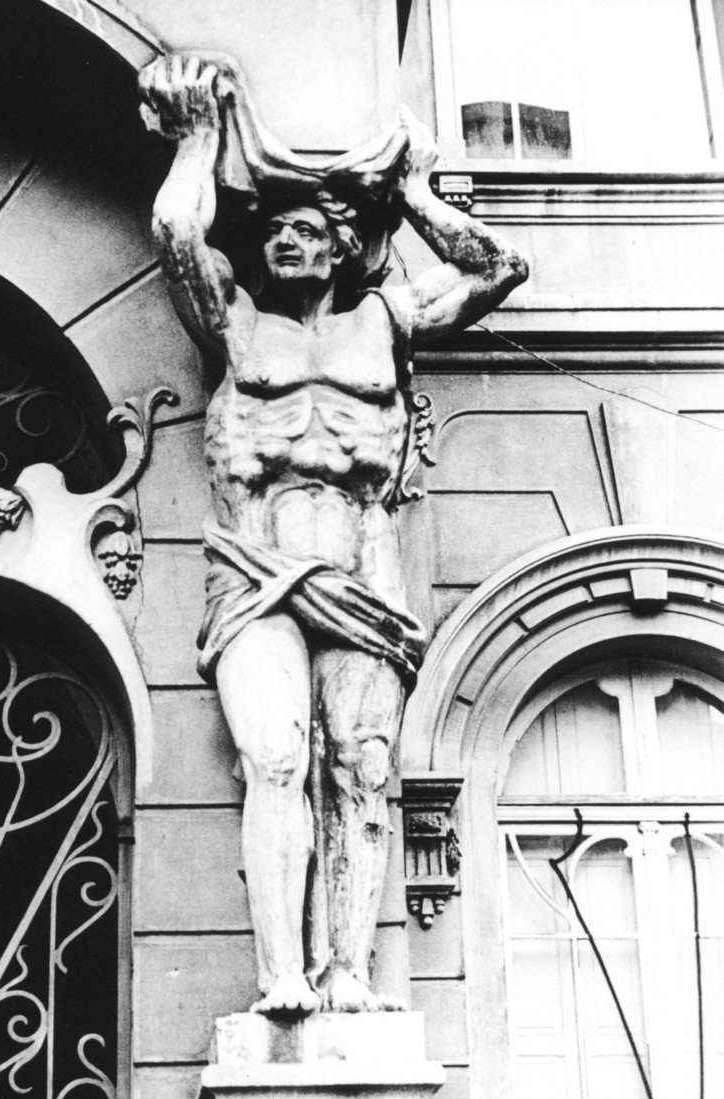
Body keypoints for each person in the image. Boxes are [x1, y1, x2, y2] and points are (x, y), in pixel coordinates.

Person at [140, 54, 528, 1018]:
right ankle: (281, 973)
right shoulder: (234, 327)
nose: (287, 242)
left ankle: (348, 973)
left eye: (308, 229)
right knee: (275, 757)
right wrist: (198, 133)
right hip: (257, 570)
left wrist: (417, 195)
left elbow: (499, 268)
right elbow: (177, 230)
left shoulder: (383, 322)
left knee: (359, 767)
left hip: (363, 571)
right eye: (276, 231)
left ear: (345, 242)